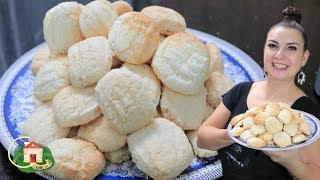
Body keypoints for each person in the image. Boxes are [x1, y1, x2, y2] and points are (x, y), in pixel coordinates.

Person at [197, 6, 320, 180]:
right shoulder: (242, 90)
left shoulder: (307, 114)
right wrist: (236, 134)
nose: (279, 55)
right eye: (272, 45)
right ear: (264, 49)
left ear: (304, 58)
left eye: (291, 48)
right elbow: (202, 139)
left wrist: (291, 162)